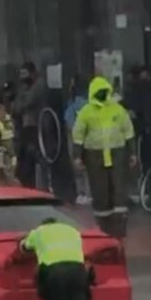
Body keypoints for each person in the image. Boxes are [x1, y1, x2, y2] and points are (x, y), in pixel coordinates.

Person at [72, 76, 136, 236]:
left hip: (117, 155)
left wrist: (132, 152)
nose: (102, 94)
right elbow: (78, 135)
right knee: (100, 193)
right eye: (99, 91)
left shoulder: (117, 109)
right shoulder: (86, 112)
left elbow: (128, 131)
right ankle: (103, 230)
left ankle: (119, 230)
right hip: (95, 157)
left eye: (104, 91)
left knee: (119, 192)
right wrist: (77, 156)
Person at [19, 218, 91, 300]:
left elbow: (24, 247)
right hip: (77, 268)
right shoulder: (72, 230)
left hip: (53, 270)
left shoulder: (38, 232)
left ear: (44, 224)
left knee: (54, 297)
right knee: (78, 295)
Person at [12, 62, 47, 188]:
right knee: (25, 160)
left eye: (25, 74)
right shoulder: (24, 87)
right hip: (25, 127)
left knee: (37, 158)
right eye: (21, 74)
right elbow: (16, 105)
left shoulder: (38, 85)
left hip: (37, 126)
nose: (22, 77)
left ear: (32, 73)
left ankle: (42, 186)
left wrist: (19, 105)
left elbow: (26, 103)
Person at [64, 75, 90, 205]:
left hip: (75, 138)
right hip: (89, 138)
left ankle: (82, 193)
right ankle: (88, 193)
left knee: (78, 167)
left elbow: (68, 122)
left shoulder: (73, 103)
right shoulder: (90, 103)